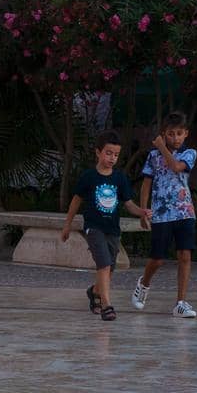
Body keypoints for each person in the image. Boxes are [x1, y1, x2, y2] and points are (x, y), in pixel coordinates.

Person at [61, 130, 150, 322]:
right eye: (108, 153)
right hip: (93, 228)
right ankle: (106, 305)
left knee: (109, 269)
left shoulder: (119, 179)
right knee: (103, 263)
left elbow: (128, 204)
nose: (112, 158)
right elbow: (76, 202)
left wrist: (142, 211)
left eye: (116, 155)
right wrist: (67, 226)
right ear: (98, 152)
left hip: (113, 230)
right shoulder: (88, 177)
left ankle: (93, 292)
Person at [132, 112, 197, 318]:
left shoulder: (189, 154)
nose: (176, 138)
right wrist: (144, 211)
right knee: (158, 259)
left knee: (185, 256)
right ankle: (143, 284)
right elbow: (146, 183)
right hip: (161, 214)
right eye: (171, 134)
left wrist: (162, 147)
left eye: (179, 133)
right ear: (164, 134)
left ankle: (180, 302)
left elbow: (176, 167)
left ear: (186, 134)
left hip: (184, 211)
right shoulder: (153, 157)